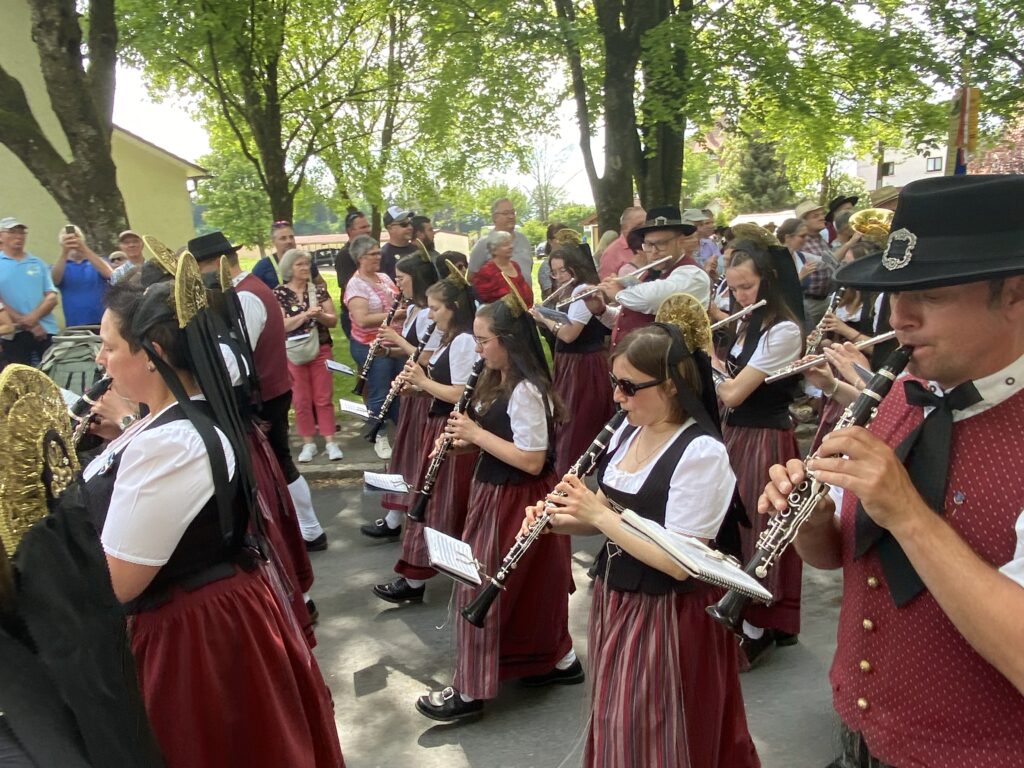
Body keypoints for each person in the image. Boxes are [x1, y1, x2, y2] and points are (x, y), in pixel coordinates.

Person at [760, 174, 1024, 768]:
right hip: (863, 739)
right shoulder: (897, 394)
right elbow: (840, 554)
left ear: (1013, 293)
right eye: (895, 293)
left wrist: (907, 513)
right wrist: (811, 521)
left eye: (928, 295)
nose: (899, 318)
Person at [84, 273, 344, 767]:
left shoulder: (171, 443)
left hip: (188, 636)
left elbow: (116, 582)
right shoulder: (167, 421)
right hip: (202, 618)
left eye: (109, 346)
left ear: (153, 353)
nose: (101, 359)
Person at [528, 322, 760, 768]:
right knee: (616, 721)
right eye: (615, 383)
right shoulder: (627, 431)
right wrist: (552, 523)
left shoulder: (702, 453)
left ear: (670, 385)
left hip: (669, 612)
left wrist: (598, 515)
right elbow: (598, 513)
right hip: (616, 599)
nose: (617, 397)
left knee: (653, 730)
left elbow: (682, 563)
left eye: (630, 387)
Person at [416, 294, 579, 722]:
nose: (478, 349)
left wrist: (474, 434)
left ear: (508, 341)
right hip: (496, 491)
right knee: (529, 587)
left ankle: (470, 690)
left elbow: (532, 459)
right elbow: (501, 440)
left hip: (519, 497)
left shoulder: (526, 390)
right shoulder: (498, 378)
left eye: (483, 340)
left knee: (482, 586)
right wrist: (461, 445)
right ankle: (555, 661)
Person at [713, 242, 804, 664]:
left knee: (759, 526)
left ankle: (760, 623)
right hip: (737, 434)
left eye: (747, 287)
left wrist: (705, 360)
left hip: (765, 438)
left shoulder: (784, 331)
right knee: (735, 524)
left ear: (768, 281)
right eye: (733, 289)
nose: (739, 297)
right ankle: (744, 613)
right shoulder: (749, 322)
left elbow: (733, 392)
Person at [371, 276, 478, 601]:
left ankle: (415, 580)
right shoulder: (450, 338)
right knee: (438, 504)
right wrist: (416, 390)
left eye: (435, 308)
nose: (429, 315)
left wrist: (421, 380)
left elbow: (461, 394)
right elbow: (442, 386)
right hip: (440, 424)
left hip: (452, 430)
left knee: (436, 505)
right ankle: (429, 573)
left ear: (453, 308)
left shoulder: (464, 341)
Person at [366, 252, 440, 528]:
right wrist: (387, 351)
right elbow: (411, 351)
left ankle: (408, 515)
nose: (398, 285)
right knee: (406, 451)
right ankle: (396, 514)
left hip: (424, 390)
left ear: (416, 279)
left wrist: (395, 339)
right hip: (411, 387)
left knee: (416, 452)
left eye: (401, 279)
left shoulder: (428, 314)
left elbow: (427, 357)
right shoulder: (412, 311)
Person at [531, 245, 613, 475]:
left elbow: (569, 334)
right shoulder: (566, 292)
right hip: (569, 362)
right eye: (554, 272)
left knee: (576, 421)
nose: (558, 277)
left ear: (575, 269)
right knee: (566, 416)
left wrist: (543, 318)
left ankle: (572, 472)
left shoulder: (583, 292)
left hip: (584, 364)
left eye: (563, 271)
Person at [586, 206, 710, 347]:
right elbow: (630, 316)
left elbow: (653, 299)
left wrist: (618, 293)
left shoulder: (692, 274)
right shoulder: (649, 273)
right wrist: (601, 310)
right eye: (649, 245)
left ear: (680, 241)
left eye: (661, 244)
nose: (654, 252)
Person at [273, 249, 343, 463]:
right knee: (300, 399)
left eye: (306, 264)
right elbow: (281, 325)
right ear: (289, 268)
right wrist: (305, 315)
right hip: (294, 352)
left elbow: (333, 320)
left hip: (321, 348)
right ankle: (308, 443)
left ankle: (330, 442)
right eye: (299, 264)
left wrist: (319, 314)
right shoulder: (279, 293)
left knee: (323, 397)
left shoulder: (318, 291)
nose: (305, 268)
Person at [344, 234, 405, 460]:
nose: (378, 256)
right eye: (373, 254)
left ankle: (403, 435)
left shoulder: (383, 277)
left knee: (398, 390)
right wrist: (395, 315)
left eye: (378, 252)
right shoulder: (356, 285)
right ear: (360, 257)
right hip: (372, 345)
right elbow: (361, 320)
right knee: (379, 392)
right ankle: (378, 435)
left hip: (395, 342)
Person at [0, 217, 59, 366]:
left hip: (45, 329)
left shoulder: (37, 263)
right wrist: (28, 324)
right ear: (1, 236)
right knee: (18, 376)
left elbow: (51, 296)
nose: (18, 236)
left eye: (21, 232)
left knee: (50, 373)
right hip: (14, 333)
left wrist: (34, 317)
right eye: (12, 232)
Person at [51, 225, 112, 326]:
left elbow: (110, 274)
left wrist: (83, 248)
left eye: (76, 236)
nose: (72, 240)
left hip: (104, 322)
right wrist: (64, 252)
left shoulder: (97, 261)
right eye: (67, 238)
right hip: (76, 323)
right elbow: (54, 280)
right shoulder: (60, 266)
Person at [467, 198, 534, 277]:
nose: (511, 216)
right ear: (494, 218)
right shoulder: (484, 243)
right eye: (506, 213)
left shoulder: (523, 239)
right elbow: (471, 277)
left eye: (513, 212)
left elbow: (529, 268)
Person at [471, 229, 534, 306]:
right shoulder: (486, 271)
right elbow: (487, 302)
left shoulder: (515, 265)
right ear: (494, 250)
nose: (511, 247)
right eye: (505, 245)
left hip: (527, 311)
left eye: (510, 243)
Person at [334, 210, 372, 337]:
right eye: (363, 227)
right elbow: (350, 288)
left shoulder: (371, 251)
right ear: (350, 231)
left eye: (368, 226)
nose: (368, 230)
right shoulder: (345, 255)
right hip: (355, 316)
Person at [254, 220, 323, 289]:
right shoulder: (263, 267)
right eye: (283, 238)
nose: (289, 241)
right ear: (273, 242)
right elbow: (252, 292)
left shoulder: (306, 261)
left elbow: (321, 283)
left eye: (291, 237)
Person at [598, 206, 646, 279]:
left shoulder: (651, 245)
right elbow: (605, 283)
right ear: (624, 228)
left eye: (646, 224)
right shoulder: (611, 253)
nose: (644, 228)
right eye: (639, 225)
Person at [379, 206, 419, 280]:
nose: (410, 227)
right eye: (404, 224)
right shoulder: (382, 256)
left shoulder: (417, 250)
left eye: (410, 223)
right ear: (390, 228)